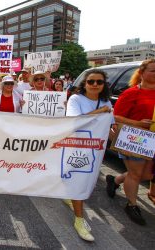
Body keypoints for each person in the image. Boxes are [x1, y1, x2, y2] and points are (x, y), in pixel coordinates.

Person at [65, 69, 112, 242]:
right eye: (91, 81)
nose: (94, 85)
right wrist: (100, 112)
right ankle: (79, 220)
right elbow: (75, 120)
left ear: (103, 85)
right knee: (80, 180)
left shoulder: (106, 101)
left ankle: (68, 194)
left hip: (96, 149)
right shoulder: (76, 99)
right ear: (84, 83)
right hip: (76, 146)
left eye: (99, 82)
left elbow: (111, 123)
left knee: (84, 179)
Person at [106, 59, 155, 225]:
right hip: (134, 139)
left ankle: (116, 180)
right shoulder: (131, 93)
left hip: (152, 142)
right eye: (153, 70)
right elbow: (114, 116)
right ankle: (131, 205)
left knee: (147, 175)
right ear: (142, 73)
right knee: (135, 174)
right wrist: (139, 124)